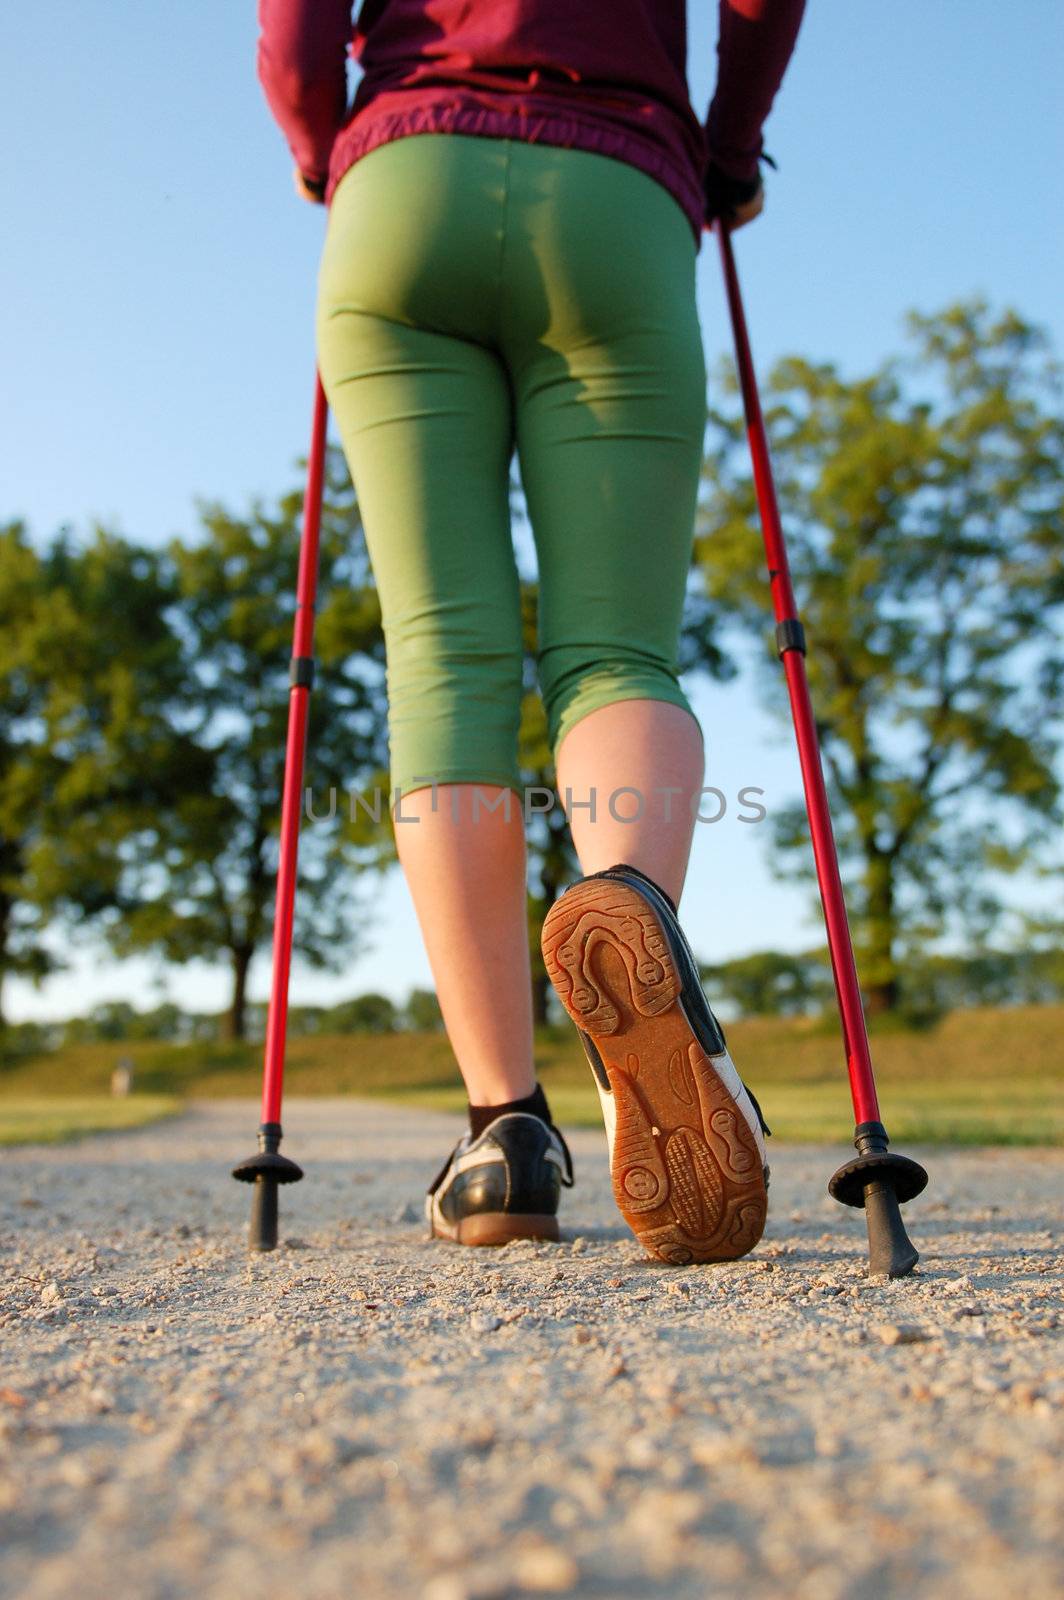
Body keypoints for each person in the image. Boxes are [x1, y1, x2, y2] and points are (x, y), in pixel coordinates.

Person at [257, 0, 805, 1263]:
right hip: (614, 189)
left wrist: (315, 140)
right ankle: (628, 911)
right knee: (614, 651)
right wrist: (727, 151)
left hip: (401, 181)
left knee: (440, 661)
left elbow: (292, 30)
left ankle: (504, 1133)